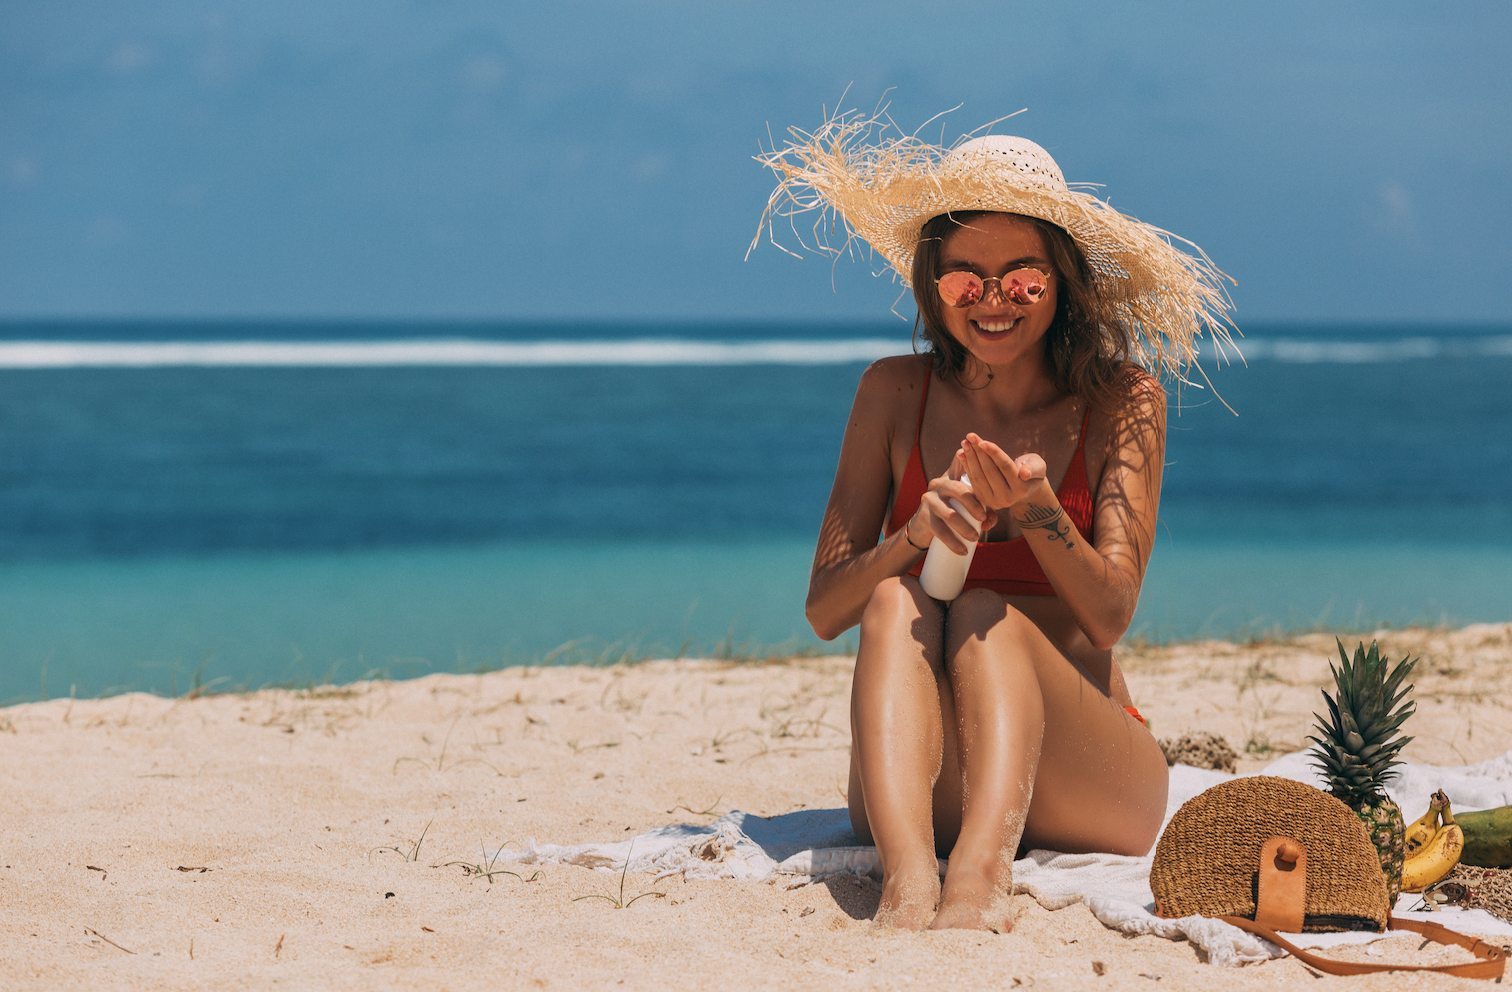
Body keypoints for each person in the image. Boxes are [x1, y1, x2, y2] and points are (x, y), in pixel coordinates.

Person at [753, 119, 1236, 932]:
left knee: (985, 613)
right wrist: (911, 539)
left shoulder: (1124, 402)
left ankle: (977, 881)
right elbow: (824, 610)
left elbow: (1111, 612)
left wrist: (1040, 512)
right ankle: (908, 882)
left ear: (1063, 282)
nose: (992, 302)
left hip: (1093, 781)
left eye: (1022, 281)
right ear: (931, 284)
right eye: (964, 281)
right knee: (891, 603)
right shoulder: (892, 395)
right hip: (921, 784)